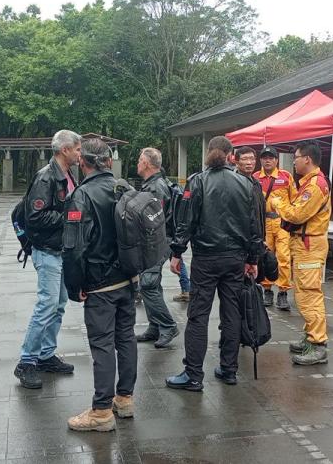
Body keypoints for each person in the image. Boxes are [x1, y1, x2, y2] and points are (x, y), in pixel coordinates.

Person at [165, 136, 263, 390]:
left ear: (209, 152)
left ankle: (194, 374)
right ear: (231, 155)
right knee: (232, 313)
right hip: (235, 259)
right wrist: (252, 258)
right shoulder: (245, 184)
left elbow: (186, 221)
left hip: (206, 258)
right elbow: (255, 226)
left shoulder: (197, 181)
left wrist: (177, 252)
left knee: (198, 315)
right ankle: (229, 369)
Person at [63, 138, 137, 432]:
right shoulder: (125, 188)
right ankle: (125, 398)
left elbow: (74, 248)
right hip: (128, 278)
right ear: (108, 160)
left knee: (102, 344)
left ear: (84, 163)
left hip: (100, 282)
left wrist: (74, 285)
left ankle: (101, 411)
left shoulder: (81, 196)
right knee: (126, 338)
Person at [13, 130, 81, 390]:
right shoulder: (46, 177)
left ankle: (45, 355)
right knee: (47, 304)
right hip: (47, 251)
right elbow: (35, 217)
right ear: (65, 150)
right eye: (76, 149)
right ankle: (26, 361)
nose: (79, 153)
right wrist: (71, 217)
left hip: (61, 250)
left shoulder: (66, 174)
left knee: (59, 304)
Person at [270, 142, 330, 366]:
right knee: (304, 292)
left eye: (296, 157)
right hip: (304, 244)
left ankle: (318, 344)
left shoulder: (315, 186)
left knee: (309, 295)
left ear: (308, 159)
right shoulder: (308, 183)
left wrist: (278, 203)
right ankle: (310, 337)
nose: (293, 161)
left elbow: (297, 214)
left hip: (310, 246)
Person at [134, 148, 179, 348]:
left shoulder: (156, 187)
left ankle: (168, 325)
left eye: (140, 160)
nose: (137, 163)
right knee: (153, 285)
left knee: (148, 285)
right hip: (154, 242)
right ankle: (155, 326)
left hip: (156, 243)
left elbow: (155, 220)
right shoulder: (153, 185)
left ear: (148, 164)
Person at [253, 146, 296, 310]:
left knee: (284, 258)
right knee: (264, 257)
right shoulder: (255, 177)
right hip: (263, 223)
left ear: (277, 160)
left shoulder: (286, 177)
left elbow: (294, 200)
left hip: (282, 223)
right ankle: (267, 289)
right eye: (264, 157)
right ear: (261, 160)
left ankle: (283, 292)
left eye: (271, 157)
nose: (267, 160)